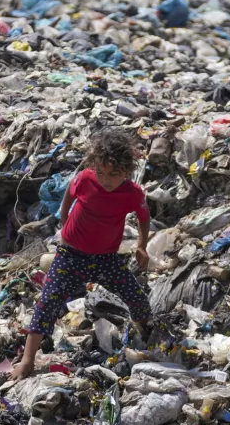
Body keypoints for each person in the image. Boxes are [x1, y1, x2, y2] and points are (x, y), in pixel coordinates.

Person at [11, 129, 151, 380]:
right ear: (94, 166)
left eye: (114, 174)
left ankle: (147, 334)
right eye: (101, 172)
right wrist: (65, 224)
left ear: (127, 172)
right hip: (70, 255)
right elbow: (68, 198)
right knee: (48, 302)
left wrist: (141, 246)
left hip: (106, 259)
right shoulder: (85, 179)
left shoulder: (133, 194)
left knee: (136, 297)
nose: (106, 180)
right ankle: (27, 360)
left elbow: (143, 218)